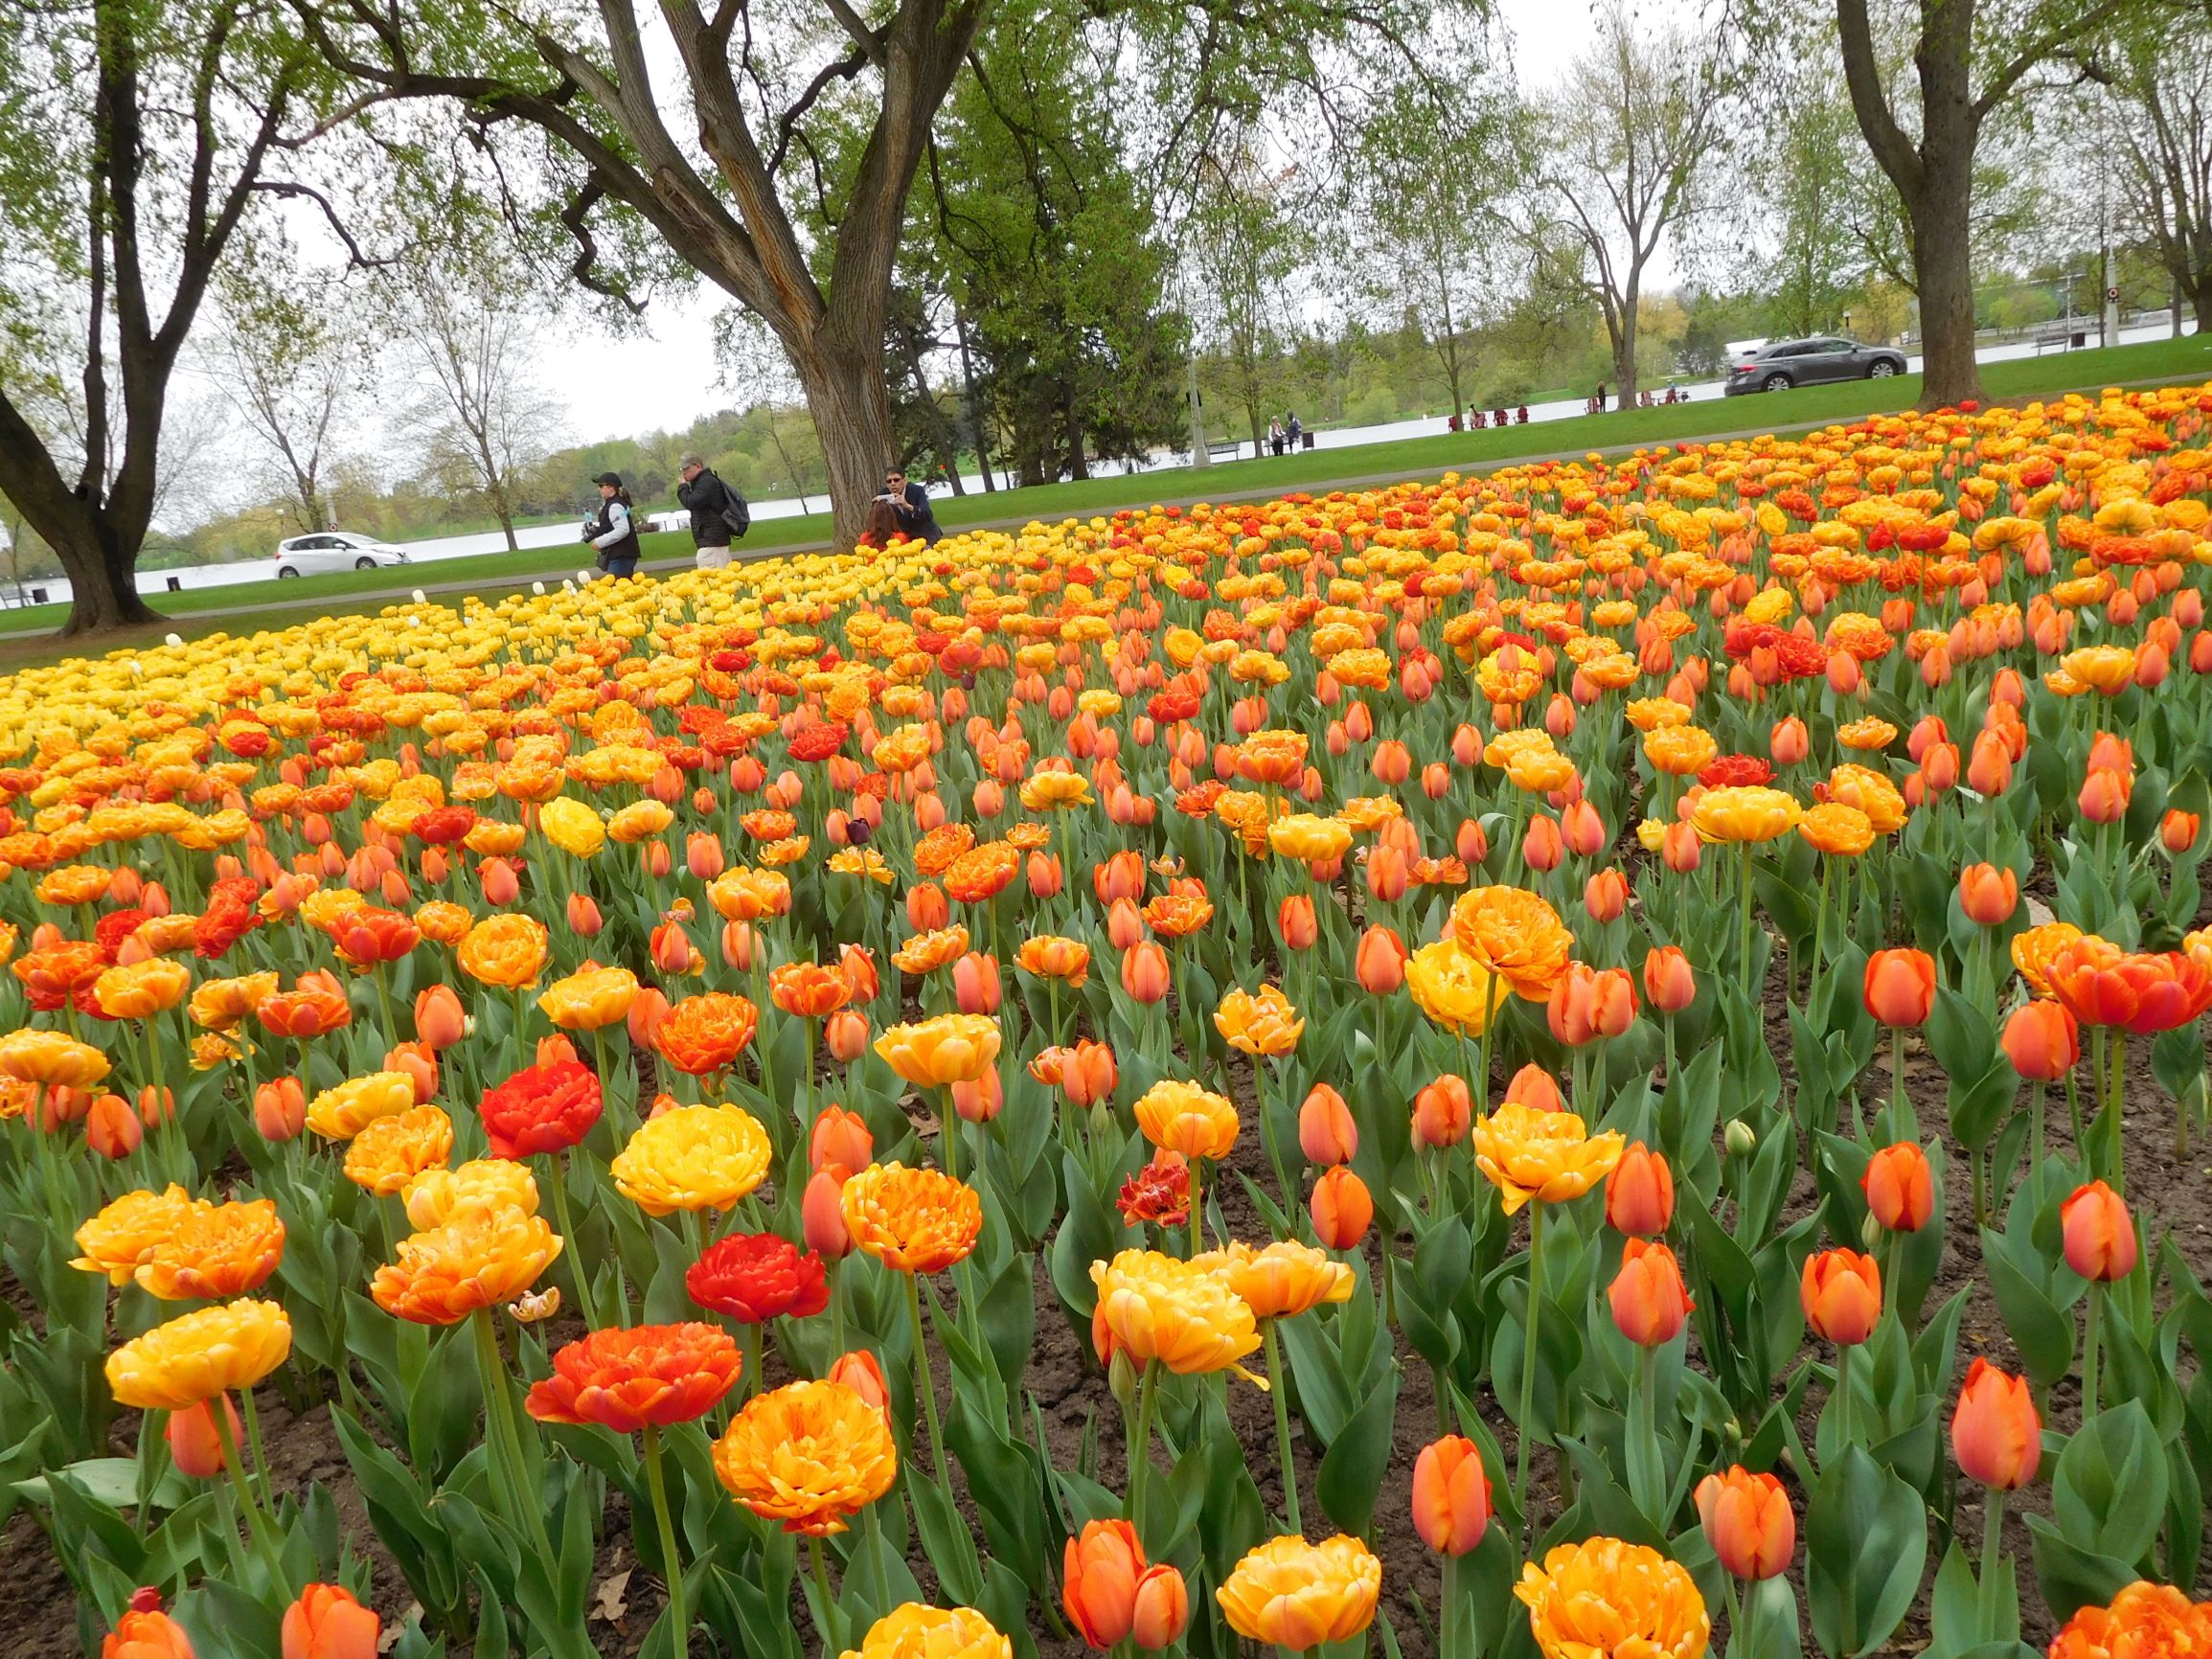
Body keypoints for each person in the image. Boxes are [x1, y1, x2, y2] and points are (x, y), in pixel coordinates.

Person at [676, 451, 749, 570]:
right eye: (682, 470)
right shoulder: (703, 482)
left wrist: (683, 487)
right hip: (713, 540)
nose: (684, 473)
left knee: (711, 579)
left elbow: (691, 502)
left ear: (698, 466)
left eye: (687, 469)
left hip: (712, 541)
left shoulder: (707, 482)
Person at [583, 471, 641, 579]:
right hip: (620, 555)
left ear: (611, 487)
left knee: (616, 591)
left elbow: (623, 530)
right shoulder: (614, 503)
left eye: (601, 486)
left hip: (621, 556)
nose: (599, 489)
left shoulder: (615, 505)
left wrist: (600, 542)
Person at [882, 466, 942, 545]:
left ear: (905, 481)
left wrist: (908, 506)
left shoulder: (917, 491)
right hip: (903, 538)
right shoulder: (883, 495)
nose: (893, 483)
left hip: (926, 534)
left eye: (896, 480)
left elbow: (927, 514)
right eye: (889, 481)